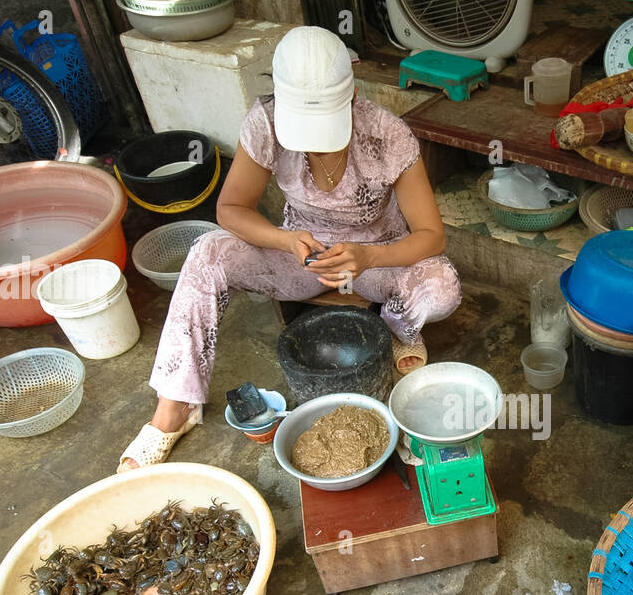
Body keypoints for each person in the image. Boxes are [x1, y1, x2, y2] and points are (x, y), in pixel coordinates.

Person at [119, 26, 461, 471]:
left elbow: (431, 235)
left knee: (442, 286)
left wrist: (368, 256)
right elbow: (231, 208)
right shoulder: (265, 123)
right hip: (304, 258)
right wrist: (285, 239)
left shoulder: (387, 135)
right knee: (207, 252)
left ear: (353, 92)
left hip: (377, 261)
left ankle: (396, 328)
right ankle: (174, 408)